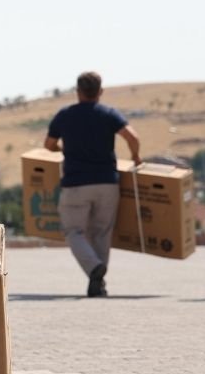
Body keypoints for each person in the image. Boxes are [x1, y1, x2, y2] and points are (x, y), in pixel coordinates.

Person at [44, 71, 141, 297]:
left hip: (75, 184)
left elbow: (49, 145)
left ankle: (94, 268)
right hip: (108, 182)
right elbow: (132, 138)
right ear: (100, 92)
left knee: (73, 231)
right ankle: (98, 282)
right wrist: (136, 157)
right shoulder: (109, 114)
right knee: (102, 232)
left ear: (78, 92)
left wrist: (64, 150)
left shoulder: (65, 115)